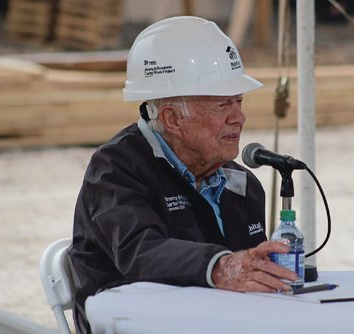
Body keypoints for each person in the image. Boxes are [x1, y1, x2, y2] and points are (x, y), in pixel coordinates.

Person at [69, 16, 298, 333]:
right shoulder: (116, 167)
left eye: (239, 101)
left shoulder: (243, 185)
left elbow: (249, 282)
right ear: (172, 118)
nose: (239, 117)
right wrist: (220, 266)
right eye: (222, 106)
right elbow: (141, 251)